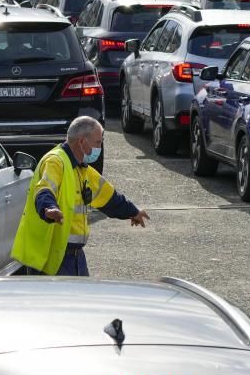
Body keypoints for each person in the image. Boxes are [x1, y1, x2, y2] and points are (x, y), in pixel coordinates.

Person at [11, 116, 149, 276]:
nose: (100, 147)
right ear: (82, 142)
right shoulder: (55, 162)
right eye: (97, 143)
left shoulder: (81, 169)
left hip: (75, 257)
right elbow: (44, 188)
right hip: (53, 257)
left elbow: (108, 197)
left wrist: (133, 211)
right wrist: (49, 208)